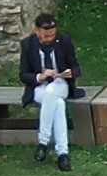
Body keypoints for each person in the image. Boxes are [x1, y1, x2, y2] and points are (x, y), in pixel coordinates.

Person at [20, 10, 80, 166]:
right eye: (45, 36)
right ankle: (63, 153)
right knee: (57, 103)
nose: (49, 39)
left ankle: (43, 142)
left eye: (52, 35)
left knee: (52, 91)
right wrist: (40, 76)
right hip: (39, 87)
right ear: (37, 31)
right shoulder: (27, 44)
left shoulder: (64, 41)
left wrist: (69, 73)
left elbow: (76, 67)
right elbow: (23, 75)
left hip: (60, 84)